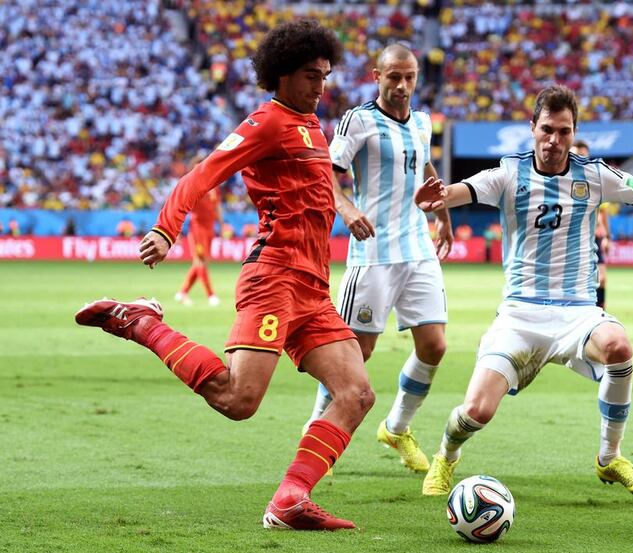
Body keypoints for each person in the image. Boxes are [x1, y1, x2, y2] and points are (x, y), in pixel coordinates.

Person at [74, 19, 375, 531]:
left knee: (357, 394)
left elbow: (320, 192)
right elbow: (201, 174)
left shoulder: (313, 125)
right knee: (238, 400)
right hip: (274, 276)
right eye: (310, 76)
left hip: (313, 287)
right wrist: (167, 229)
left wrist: (345, 211)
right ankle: (142, 322)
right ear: (281, 75)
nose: (321, 87)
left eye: (325, 76)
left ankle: (289, 499)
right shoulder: (268, 122)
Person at [414, 84, 633, 496]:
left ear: (574, 133)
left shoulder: (594, 176)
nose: (555, 141)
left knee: (619, 347)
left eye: (565, 132)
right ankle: (446, 457)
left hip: (578, 312)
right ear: (532, 127)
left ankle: (610, 459)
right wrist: (439, 197)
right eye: (548, 130)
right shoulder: (507, 173)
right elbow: (458, 191)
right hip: (520, 315)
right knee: (476, 411)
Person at [303, 44, 453, 474]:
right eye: (393, 77)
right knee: (356, 353)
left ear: (417, 77)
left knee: (435, 345)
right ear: (377, 75)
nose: (402, 85)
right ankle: (316, 429)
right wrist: (347, 209)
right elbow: (325, 173)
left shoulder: (423, 123)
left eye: (409, 77)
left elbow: (426, 169)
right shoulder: (360, 119)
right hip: (374, 253)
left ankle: (397, 427)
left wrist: (442, 216)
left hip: (417, 248)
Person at [571, 140, 610, 309]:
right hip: (571, 237)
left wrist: (608, 236)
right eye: (576, 155)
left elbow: (602, 212)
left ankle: (600, 312)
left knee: (601, 278)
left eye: (583, 156)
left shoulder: (595, 181)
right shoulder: (559, 180)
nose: (579, 159)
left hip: (594, 237)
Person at [174, 181, 222, 307]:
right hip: (197, 229)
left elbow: (217, 206)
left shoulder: (214, 187)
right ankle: (211, 295)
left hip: (209, 229)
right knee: (200, 261)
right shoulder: (193, 187)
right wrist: (177, 231)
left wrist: (222, 225)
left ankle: (182, 292)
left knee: (201, 262)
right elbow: (181, 209)